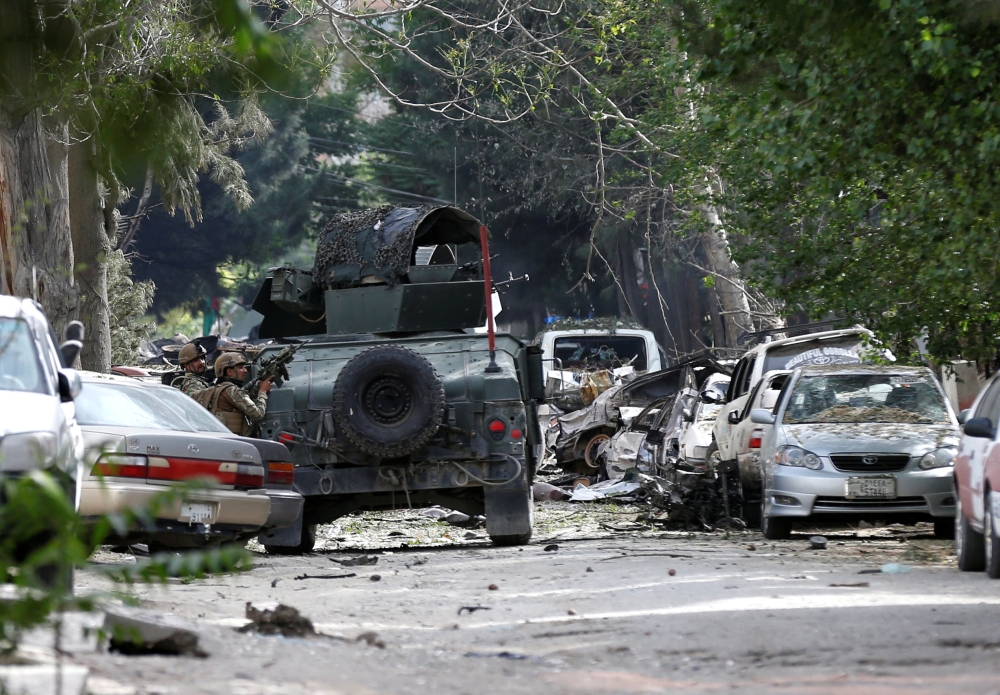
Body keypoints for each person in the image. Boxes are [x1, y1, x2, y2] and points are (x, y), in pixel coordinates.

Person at [203, 352, 273, 436]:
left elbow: (246, 396)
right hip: (233, 440)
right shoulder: (232, 390)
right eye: (240, 368)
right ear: (229, 372)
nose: (245, 371)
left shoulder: (219, 388)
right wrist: (262, 392)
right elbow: (258, 414)